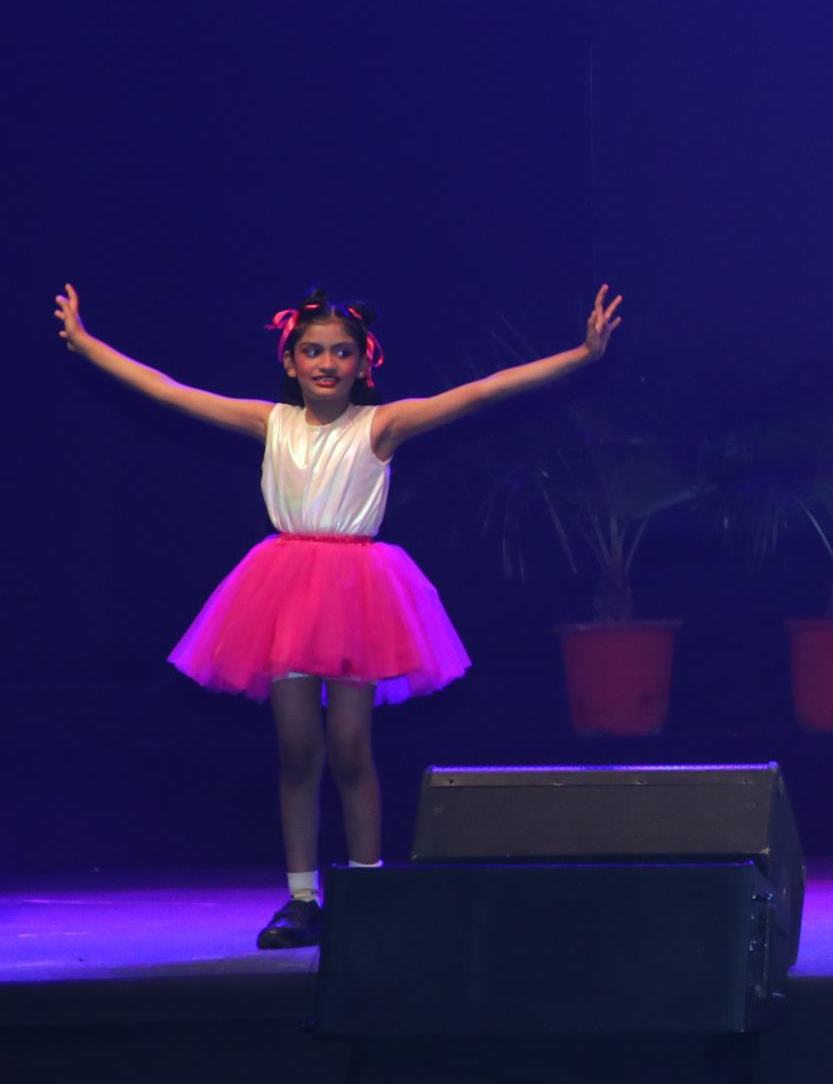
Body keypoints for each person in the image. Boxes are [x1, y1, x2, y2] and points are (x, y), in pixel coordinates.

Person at [55, 283, 625, 948]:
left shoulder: (379, 426)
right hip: (283, 594)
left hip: (357, 595)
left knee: (351, 748)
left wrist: (582, 355)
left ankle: (366, 889)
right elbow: (168, 390)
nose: (327, 363)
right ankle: (302, 898)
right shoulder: (271, 423)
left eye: (341, 352)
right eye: (313, 351)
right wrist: (88, 346)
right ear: (290, 361)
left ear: (363, 362)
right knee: (298, 750)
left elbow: (481, 392)